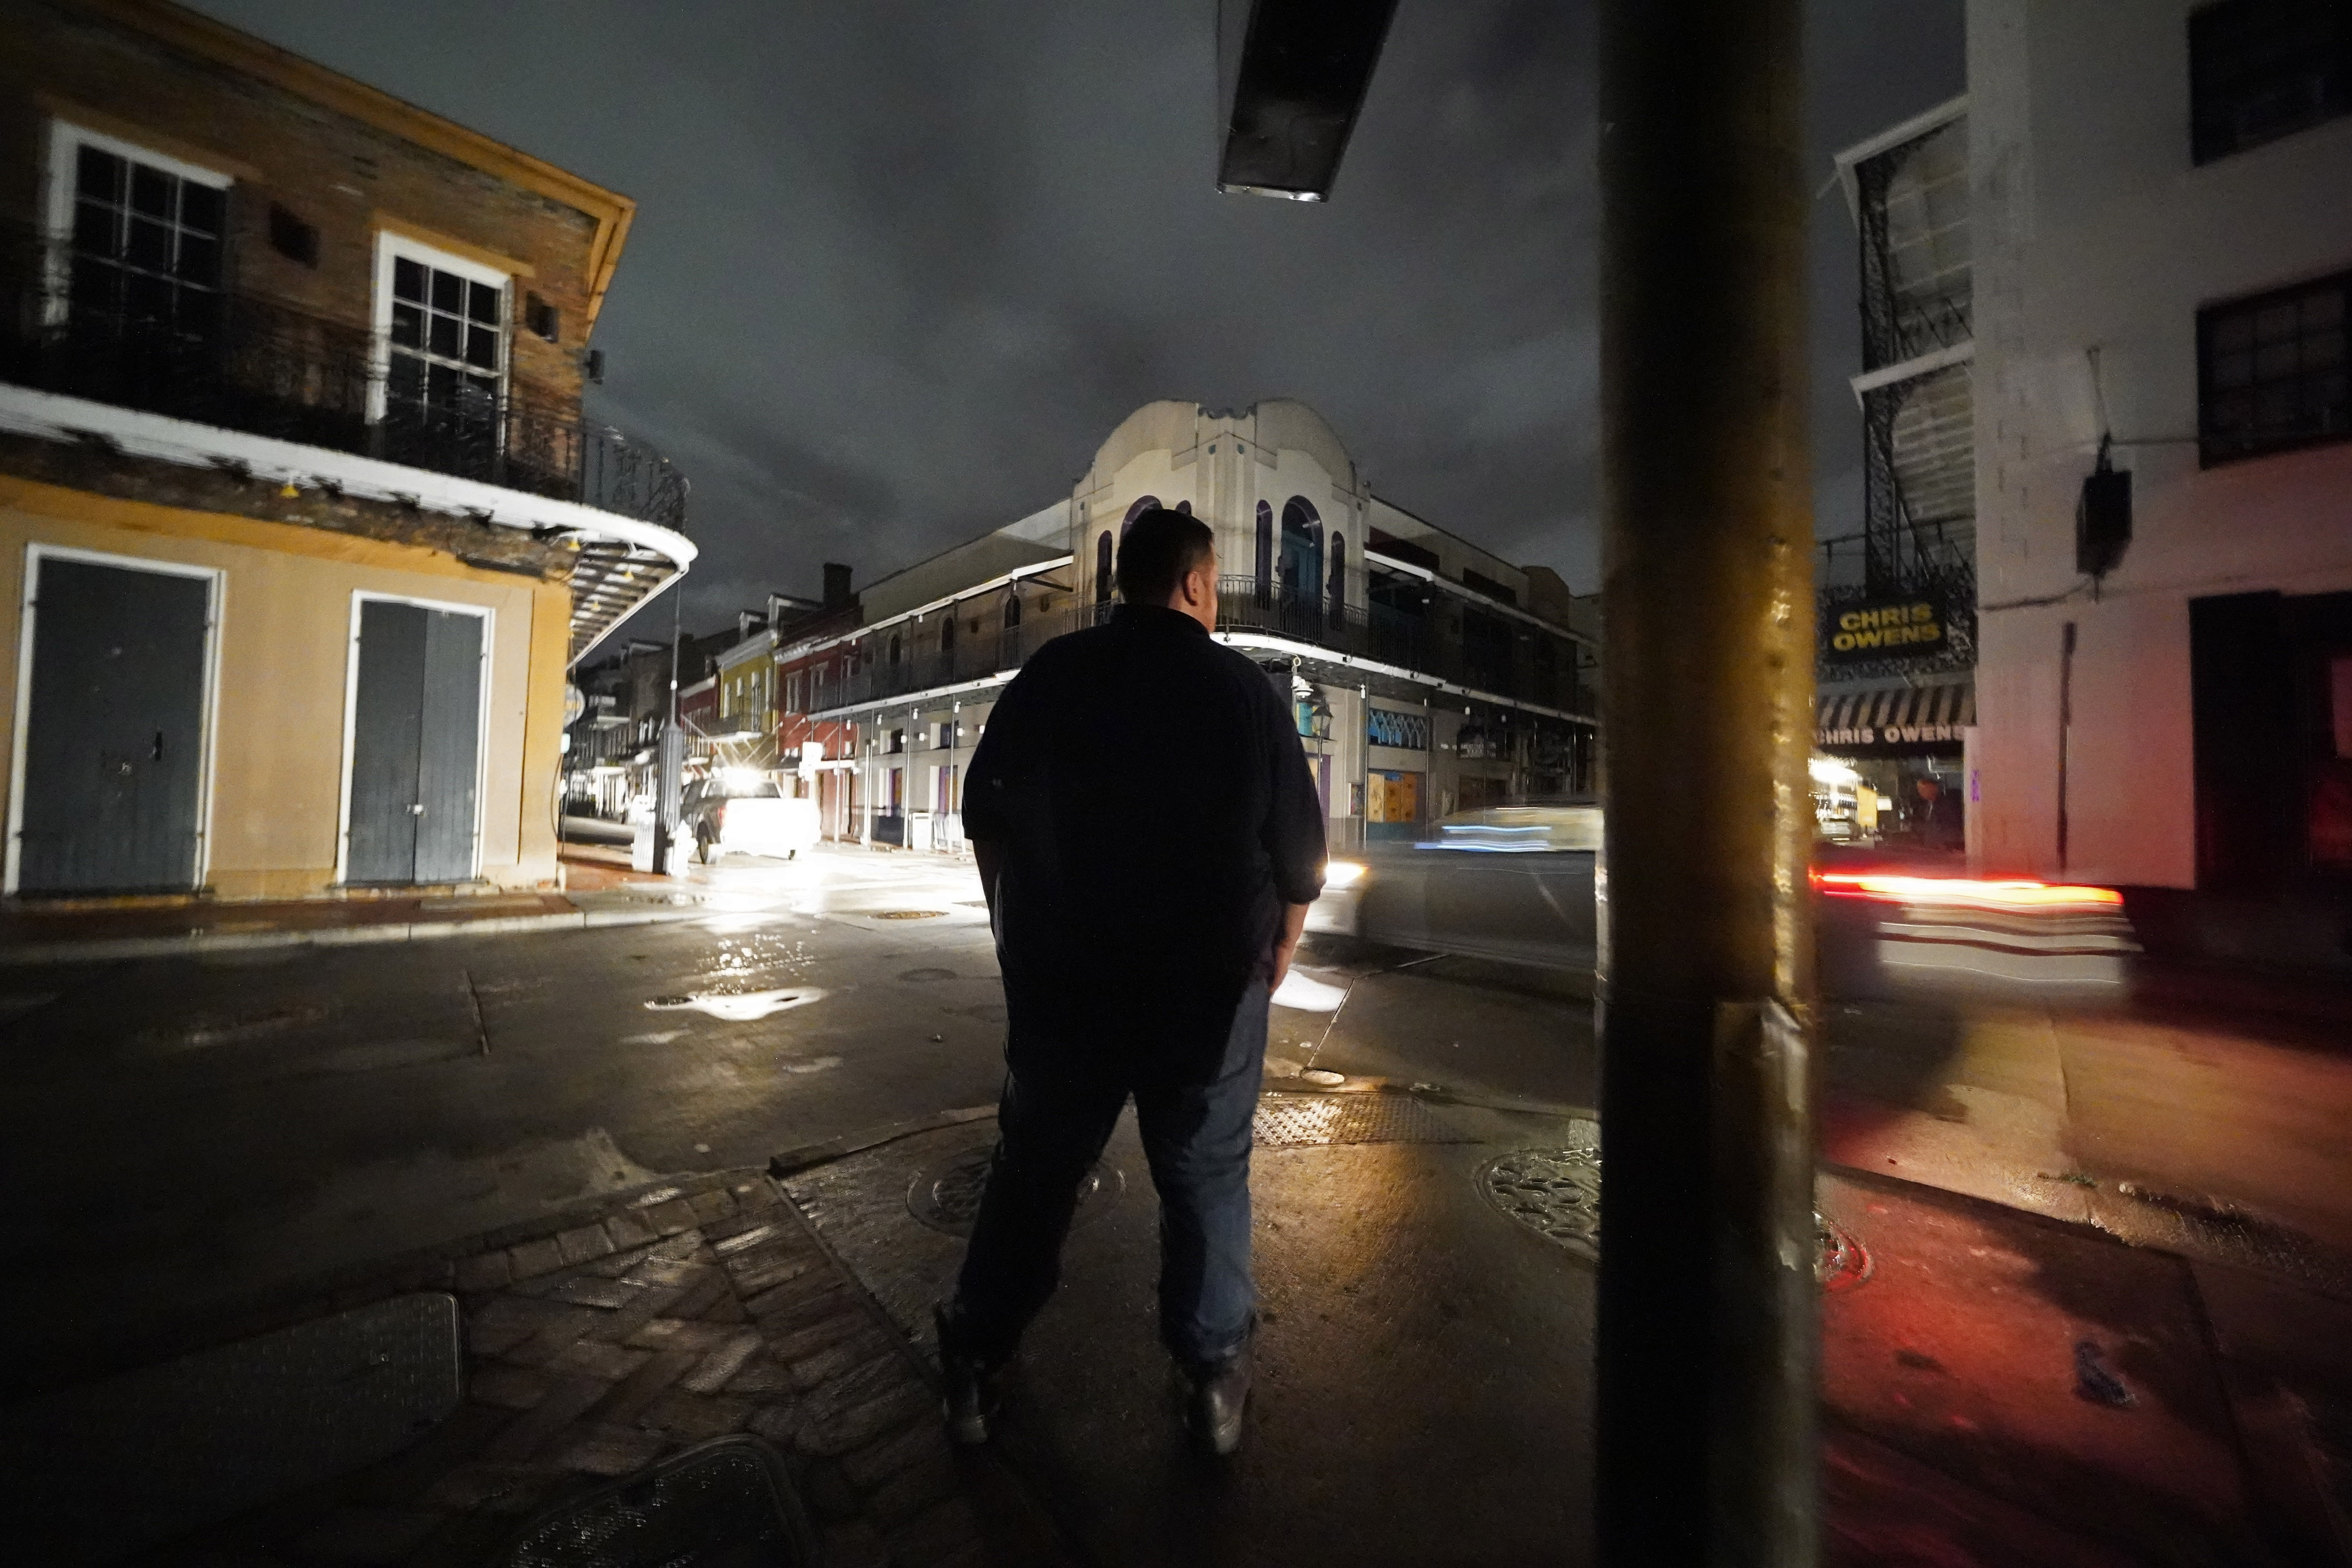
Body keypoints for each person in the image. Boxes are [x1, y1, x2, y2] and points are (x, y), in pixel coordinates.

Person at [936, 506, 1326, 1456]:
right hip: (1205, 989)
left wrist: (1010, 922)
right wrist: (1281, 942)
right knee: (1204, 1172)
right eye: (1219, 576)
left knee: (1038, 1165)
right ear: (1196, 583)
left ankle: (978, 1358)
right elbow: (1301, 853)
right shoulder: (1242, 690)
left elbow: (985, 812)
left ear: (1125, 582)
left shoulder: (1053, 675)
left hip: (1067, 984)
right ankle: (1211, 1376)